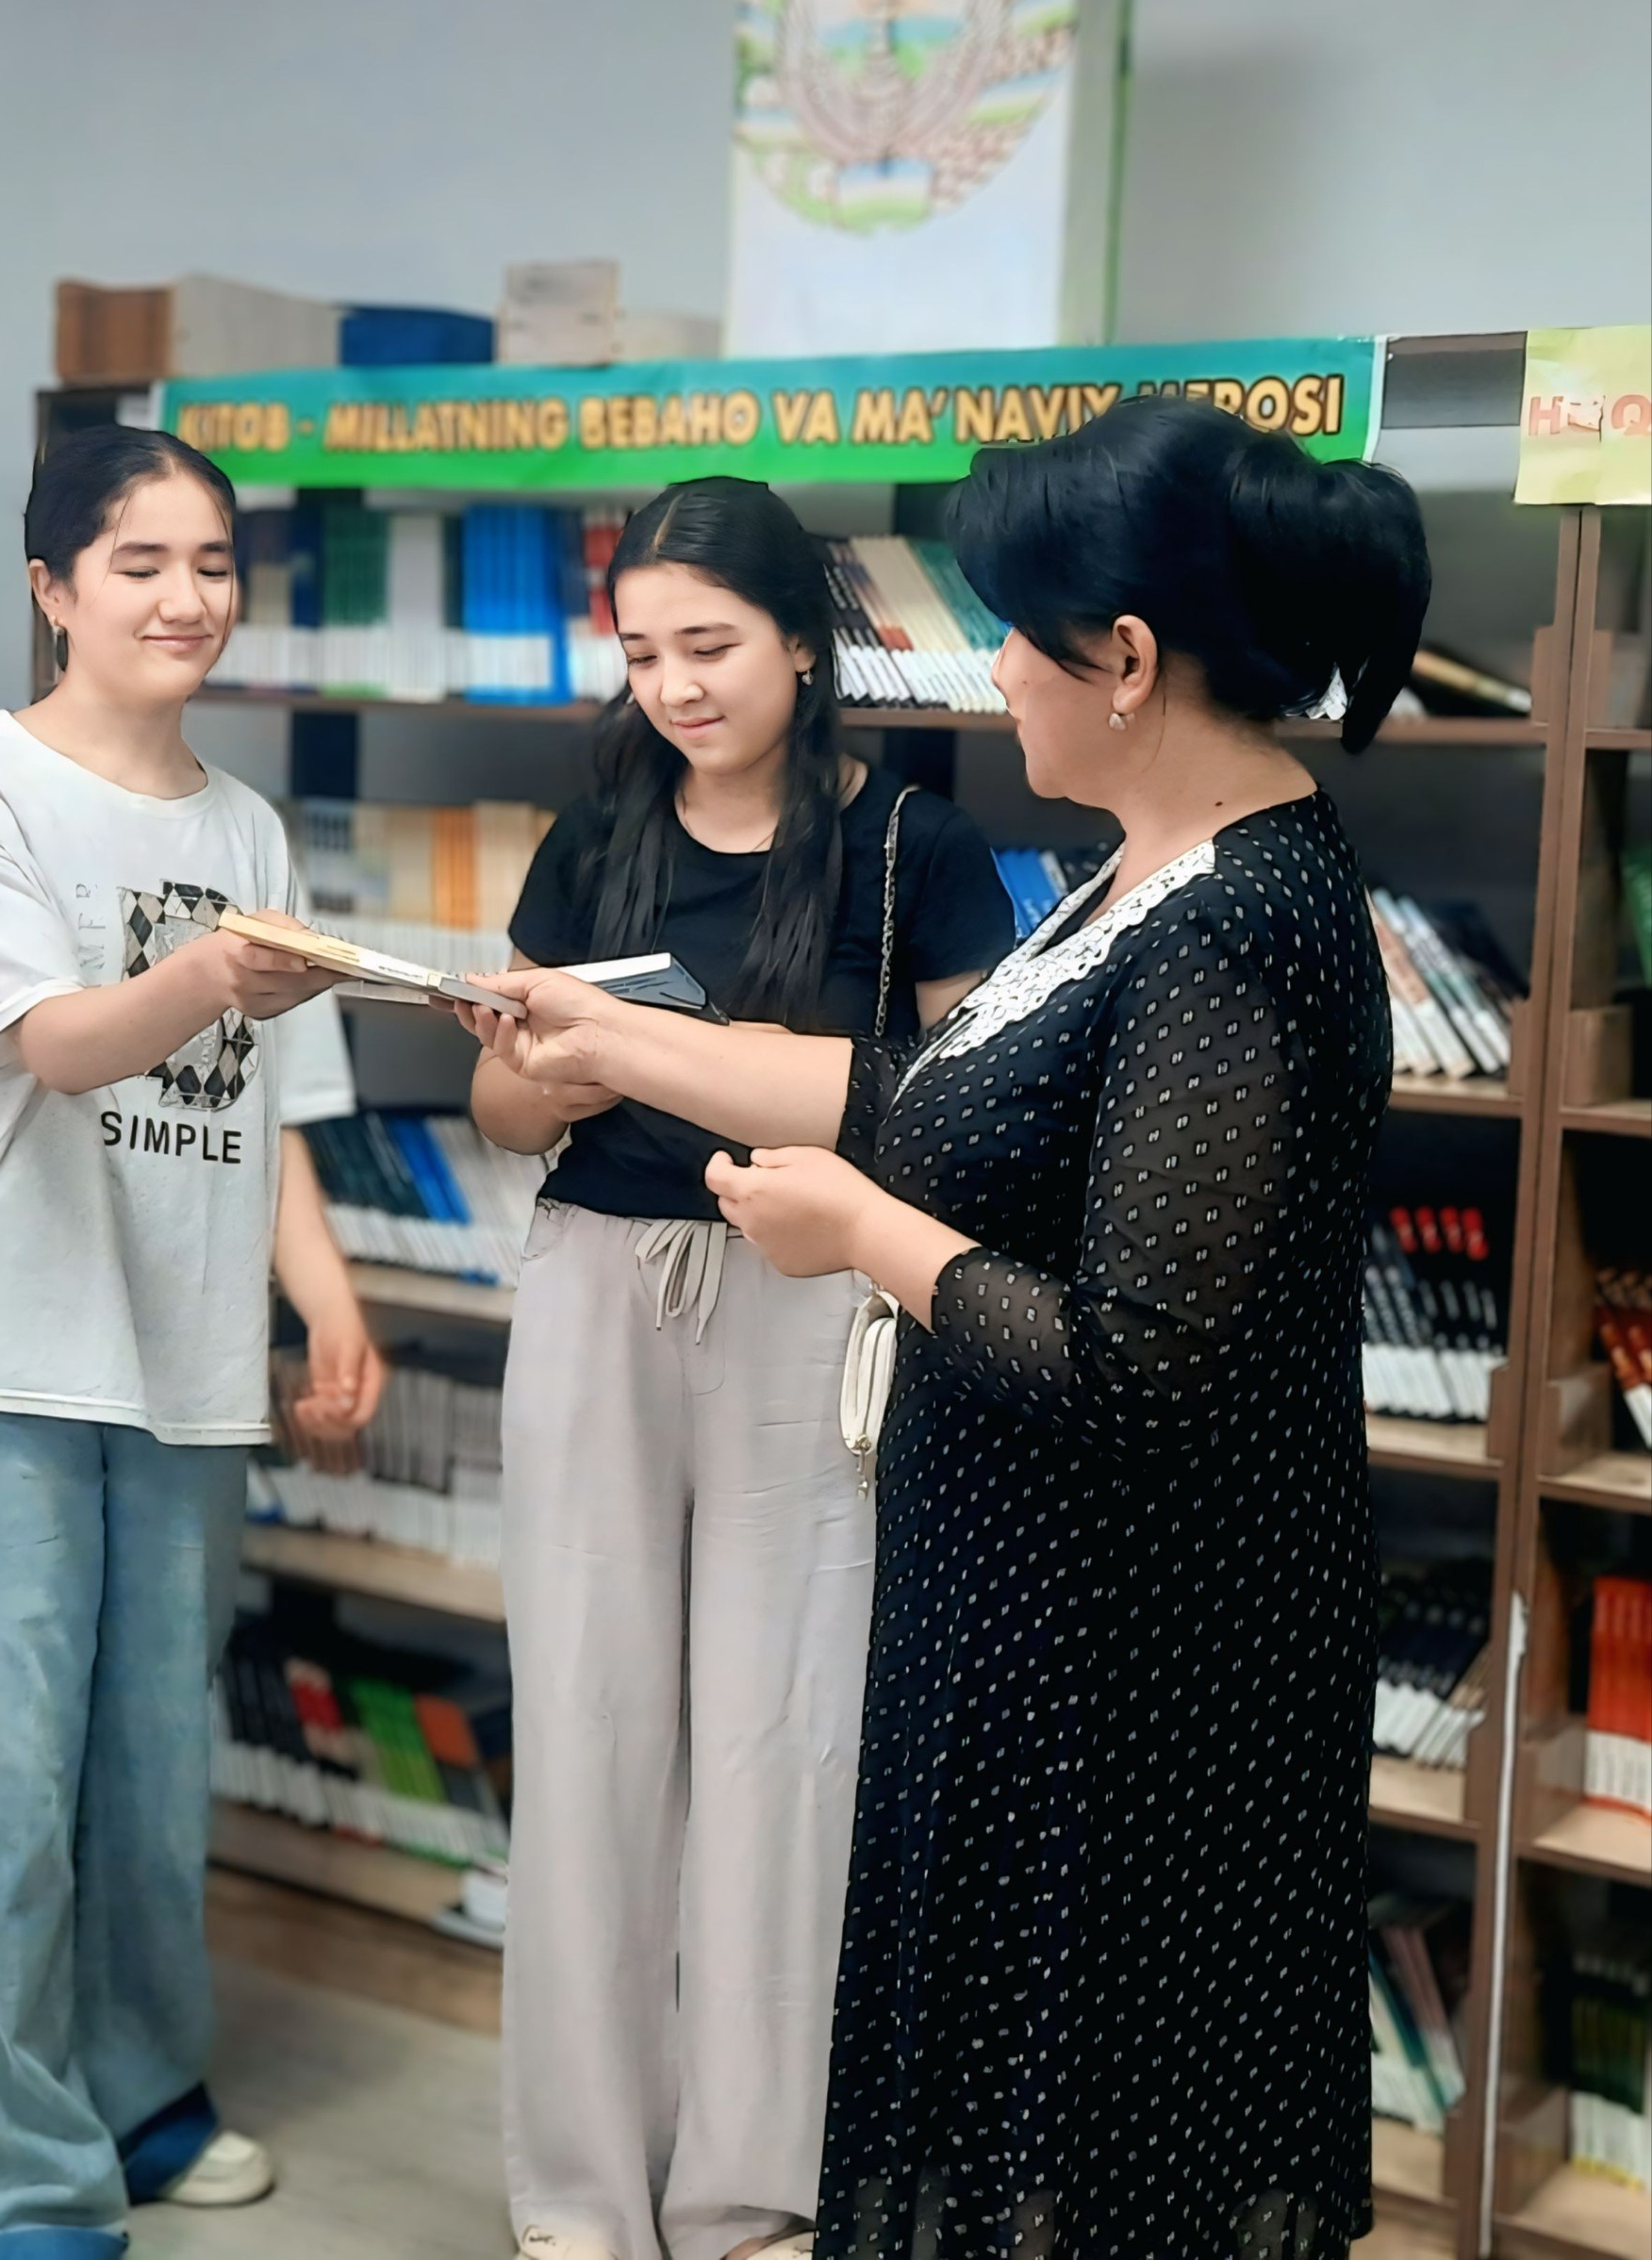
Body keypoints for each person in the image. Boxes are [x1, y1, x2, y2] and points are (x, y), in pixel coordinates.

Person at [459, 399, 1431, 2260]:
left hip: (1125, 1676)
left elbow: (1135, 1362)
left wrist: (866, 1238)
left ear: (1122, 658)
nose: (989, 671)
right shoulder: (1138, 869)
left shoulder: (1230, 926)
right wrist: (614, 1038)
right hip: (1026, 1638)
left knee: (1096, 2142)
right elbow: (912, 1089)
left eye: (1009, 633)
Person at [0, 426, 385, 2260]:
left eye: (212, 562)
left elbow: (271, 1104)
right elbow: (62, 1043)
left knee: (154, 1772)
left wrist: (327, 1297)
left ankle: (143, 2092)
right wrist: (206, 971)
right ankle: (4, 2179)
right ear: (52, 587)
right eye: (139, 561)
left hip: (183, 1357)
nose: (184, 596)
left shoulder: (248, 828)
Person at [471, 477, 1012, 2260]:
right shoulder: (591, 837)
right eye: (641, 655)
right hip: (596, 1288)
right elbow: (500, 1116)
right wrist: (534, 1063)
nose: (676, 687)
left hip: (810, 1301)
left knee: (789, 1744)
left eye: (708, 645)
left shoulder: (915, 846)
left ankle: (752, 2199)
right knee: (587, 1732)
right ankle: (579, 2199)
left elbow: (964, 1124)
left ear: (801, 638)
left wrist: (693, 1061)